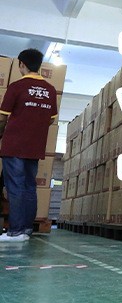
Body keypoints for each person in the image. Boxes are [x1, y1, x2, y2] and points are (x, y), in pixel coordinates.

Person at [0, 49, 58, 242]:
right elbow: (51, 119)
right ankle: (25, 230)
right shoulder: (50, 90)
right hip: (35, 147)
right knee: (29, 187)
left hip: (14, 145)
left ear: (21, 64)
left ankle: (15, 231)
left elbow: (2, 117)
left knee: (15, 187)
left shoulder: (17, 87)